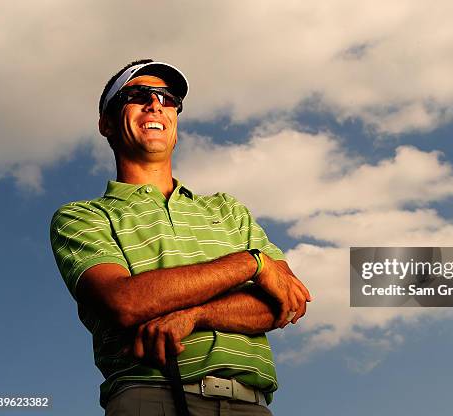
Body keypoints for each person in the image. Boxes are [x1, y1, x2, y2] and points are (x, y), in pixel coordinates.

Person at [50, 59, 311, 416]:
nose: (155, 103)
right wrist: (250, 263)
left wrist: (196, 315)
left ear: (175, 121)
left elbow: (285, 301)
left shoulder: (227, 209)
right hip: (150, 397)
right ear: (106, 123)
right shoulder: (83, 217)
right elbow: (125, 302)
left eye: (168, 98)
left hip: (251, 404)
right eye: (136, 94)